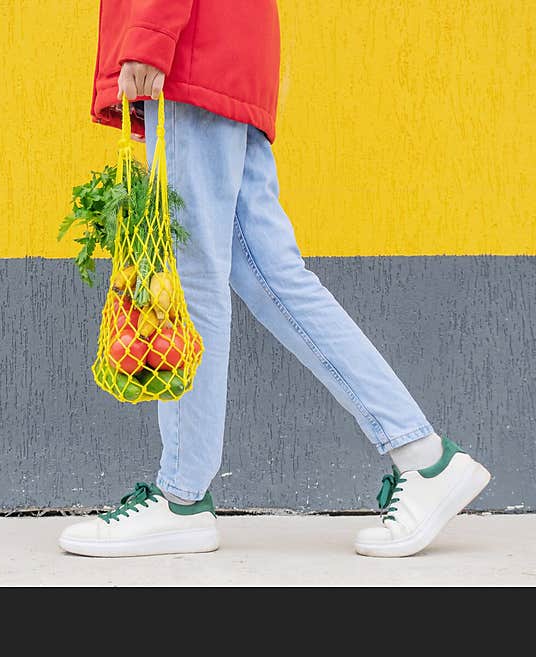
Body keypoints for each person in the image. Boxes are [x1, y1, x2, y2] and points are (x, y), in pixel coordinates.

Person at [58, 0, 490, 558]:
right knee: (274, 277)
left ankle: (181, 499)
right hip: (227, 53)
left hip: (196, 53)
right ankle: (424, 456)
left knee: (193, 285)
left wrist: (146, 36)